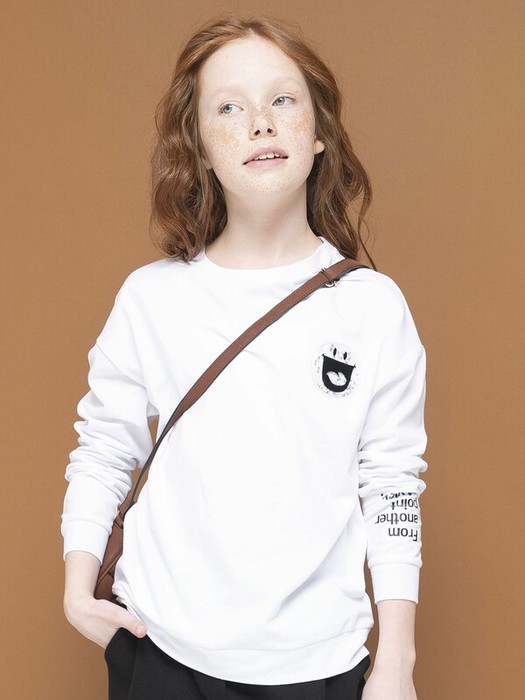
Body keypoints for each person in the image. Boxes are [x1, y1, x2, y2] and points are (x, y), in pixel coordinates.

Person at [61, 14, 428, 700]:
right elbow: (104, 447)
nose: (260, 123)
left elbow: (392, 484)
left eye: (281, 99)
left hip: (318, 665)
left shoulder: (372, 307)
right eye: (228, 107)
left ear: (318, 133)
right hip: (162, 653)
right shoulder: (151, 298)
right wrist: (78, 591)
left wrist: (396, 662)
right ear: (199, 148)